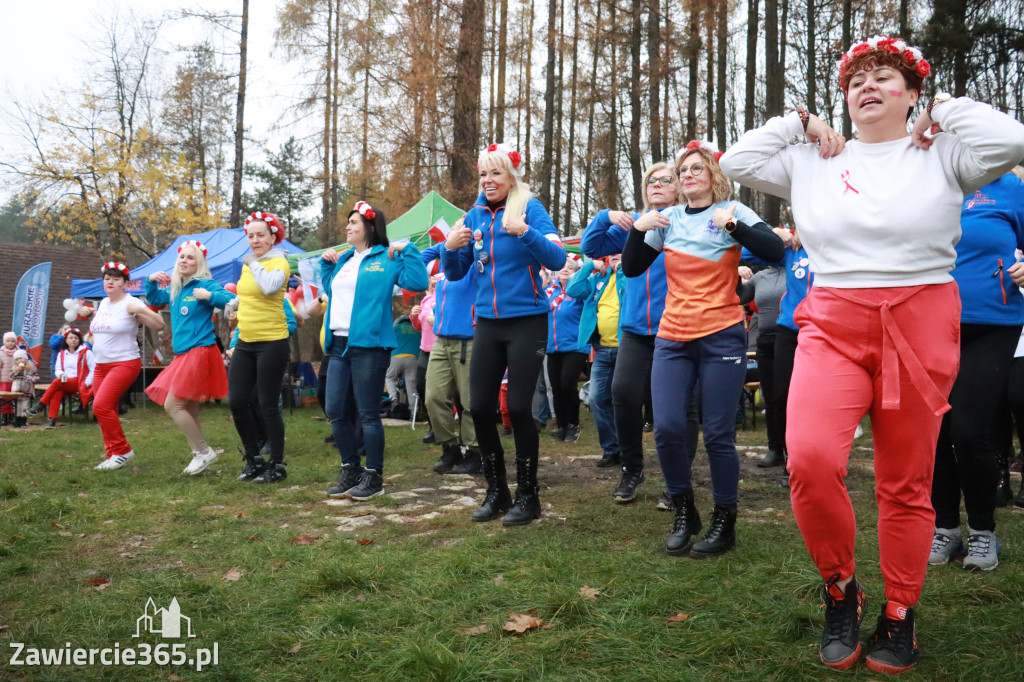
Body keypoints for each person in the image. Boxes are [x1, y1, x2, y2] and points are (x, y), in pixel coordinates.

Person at [720, 35, 1024, 673]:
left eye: (887, 76)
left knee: (905, 482)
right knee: (808, 459)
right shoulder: (815, 157)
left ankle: (900, 611)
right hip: (834, 318)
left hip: (920, 321)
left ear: (911, 94)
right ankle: (840, 587)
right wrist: (799, 120)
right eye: (858, 77)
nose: (868, 85)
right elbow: (739, 160)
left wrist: (943, 107)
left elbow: (1012, 140)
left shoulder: (943, 152)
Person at [622, 140, 784, 559]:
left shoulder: (732, 212)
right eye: (683, 171)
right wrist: (639, 230)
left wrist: (734, 228)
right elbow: (632, 267)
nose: (689, 175)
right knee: (670, 428)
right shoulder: (668, 219)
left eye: (697, 169)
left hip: (722, 335)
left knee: (717, 435)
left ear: (714, 175)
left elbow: (772, 250)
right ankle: (684, 510)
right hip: (673, 338)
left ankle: (724, 520)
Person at [441, 142, 567, 526]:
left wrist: (526, 232)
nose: (488, 180)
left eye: (496, 173)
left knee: (515, 409)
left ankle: (528, 496)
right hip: (488, 323)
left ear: (511, 176)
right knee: (478, 407)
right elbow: (456, 272)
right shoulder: (474, 215)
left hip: (528, 320)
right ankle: (497, 491)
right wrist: (449, 249)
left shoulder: (529, 208)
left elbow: (558, 259)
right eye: (483, 173)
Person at [929, 171, 1024, 571]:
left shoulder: (1010, 188)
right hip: (930, 323)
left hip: (994, 323)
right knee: (934, 432)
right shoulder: (930, 182)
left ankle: (983, 532)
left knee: (969, 430)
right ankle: (945, 529)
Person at [581, 162, 680, 505]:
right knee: (621, 394)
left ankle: (675, 480)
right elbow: (590, 249)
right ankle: (631, 470)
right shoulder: (634, 226)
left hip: (675, 327)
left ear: (678, 187)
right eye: (650, 180)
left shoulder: (686, 222)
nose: (655, 184)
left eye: (665, 180)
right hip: (635, 330)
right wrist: (605, 216)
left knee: (671, 409)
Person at [321, 200, 428, 500]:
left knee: (368, 413)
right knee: (335, 411)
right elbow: (332, 290)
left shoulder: (386, 257)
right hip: (339, 344)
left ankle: (374, 476)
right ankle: (350, 470)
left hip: (370, 346)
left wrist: (406, 250)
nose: (347, 227)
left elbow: (417, 281)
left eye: (353, 222)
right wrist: (326, 265)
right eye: (348, 222)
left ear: (369, 227)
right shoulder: (345, 260)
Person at [144, 240, 235, 475]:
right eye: (181, 257)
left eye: (190, 258)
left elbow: (230, 301)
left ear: (199, 263)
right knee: (189, 406)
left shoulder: (205, 283)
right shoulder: (176, 288)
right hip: (183, 354)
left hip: (200, 351)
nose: (184, 260)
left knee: (173, 405)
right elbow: (154, 300)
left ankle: (204, 451)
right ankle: (199, 454)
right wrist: (150, 282)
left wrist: (209, 296)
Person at [229, 212, 292, 484]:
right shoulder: (249, 265)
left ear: (272, 237)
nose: (254, 240)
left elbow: (268, 287)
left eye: (260, 235)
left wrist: (253, 263)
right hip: (245, 341)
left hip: (272, 341)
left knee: (267, 404)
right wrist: (234, 304)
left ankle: (277, 465)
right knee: (237, 401)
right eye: (251, 236)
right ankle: (254, 459)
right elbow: (250, 295)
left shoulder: (280, 261)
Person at [87, 262, 166, 470]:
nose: (110, 282)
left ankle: (122, 451)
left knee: (100, 406)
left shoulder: (130, 304)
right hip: (100, 365)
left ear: (125, 284)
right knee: (107, 408)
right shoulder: (104, 303)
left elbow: (159, 324)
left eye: (115, 279)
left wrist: (142, 311)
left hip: (124, 363)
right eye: (107, 279)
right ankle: (112, 453)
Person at [417, 247, 483, 474]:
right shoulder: (445, 267)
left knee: (468, 402)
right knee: (433, 397)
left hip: (468, 341)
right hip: (441, 340)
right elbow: (420, 258)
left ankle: (475, 452)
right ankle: (450, 447)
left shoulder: (476, 264)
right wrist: (446, 245)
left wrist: (465, 241)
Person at [566, 254, 626, 470]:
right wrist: (590, 265)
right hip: (602, 350)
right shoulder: (597, 280)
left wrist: (623, 268)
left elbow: (633, 290)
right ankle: (611, 450)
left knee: (623, 400)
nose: (614, 258)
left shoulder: (630, 275)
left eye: (619, 253)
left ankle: (628, 450)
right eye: (611, 255)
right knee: (597, 398)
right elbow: (572, 289)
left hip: (627, 350)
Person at [738, 262, 787, 467]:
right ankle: (775, 449)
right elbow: (739, 296)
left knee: (786, 396)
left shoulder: (795, 271)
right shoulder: (760, 277)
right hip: (764, 342)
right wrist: (734, 272)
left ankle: (793, 453)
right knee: (770, 397)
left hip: (790, 338)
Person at [545, 258, 588, 443]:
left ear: (576, 272)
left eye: (570, 267)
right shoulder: (549, 292)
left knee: (567, 384)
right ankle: (561, 426)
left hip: (575, 346)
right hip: (552, 346)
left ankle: (573, 425)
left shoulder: (578, 291)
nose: (565, 269)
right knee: (556, 388)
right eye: (562, 266)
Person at [30, 327, 94, 428]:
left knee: (56, 383)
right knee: (57, 392)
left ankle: (42, 404)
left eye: (76, 338)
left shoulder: (87, 352)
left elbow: (93, 370)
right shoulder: (62, 353)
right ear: (66, 340)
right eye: (71, 338)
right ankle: (51, 420)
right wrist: (61, 375)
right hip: (65, 381)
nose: (73, 340)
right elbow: (58, 369)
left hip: (80, 381)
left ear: (80, 340)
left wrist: (86, 383)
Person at [383, 310, 421, 418]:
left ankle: (394, 398)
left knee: (389, 377)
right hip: (413, 358)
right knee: (411, 385)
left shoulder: (395, 329)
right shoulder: (417, 330)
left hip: (396, 357)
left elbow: (387, 344)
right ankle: (414, 412)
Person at [9, 349, 38, 428]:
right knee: (17, 406)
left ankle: (23, 421)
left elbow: (36, 376)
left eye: (21, 358)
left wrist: (34, 379)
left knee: (24, 406)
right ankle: (17, 420)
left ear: (25, 358)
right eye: (17, 359)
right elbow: (11, 376)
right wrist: (17, 370)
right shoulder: (15, 368)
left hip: (27, 389)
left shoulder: (31, 367)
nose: (19, 360)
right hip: (17, 389)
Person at [1, 332, 19, 426]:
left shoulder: (18, 353)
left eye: (12, 341)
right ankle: (4, 415)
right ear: (4, 342)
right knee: (4, 398)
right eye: (8, 341)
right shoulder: (1, 353)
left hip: (15, 381)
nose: (10, 343)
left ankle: (12, 415)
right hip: (4, 380)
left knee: (12, 399)